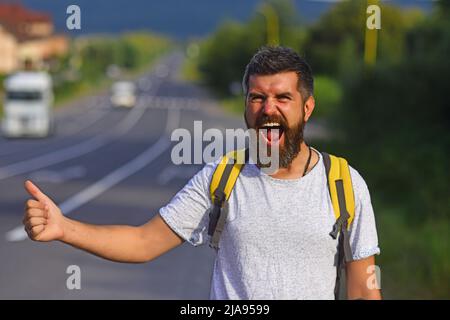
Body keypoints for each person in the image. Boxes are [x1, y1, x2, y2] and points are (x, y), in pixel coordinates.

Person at [23, 46, 381, 300]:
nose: (268, 109)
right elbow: (144, 242)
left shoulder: (343, 184)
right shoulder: (221, 178)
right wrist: (64, 228)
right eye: (256, 98)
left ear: (307, 108)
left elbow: (364, 289)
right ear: (246, 106)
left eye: (282, 98)